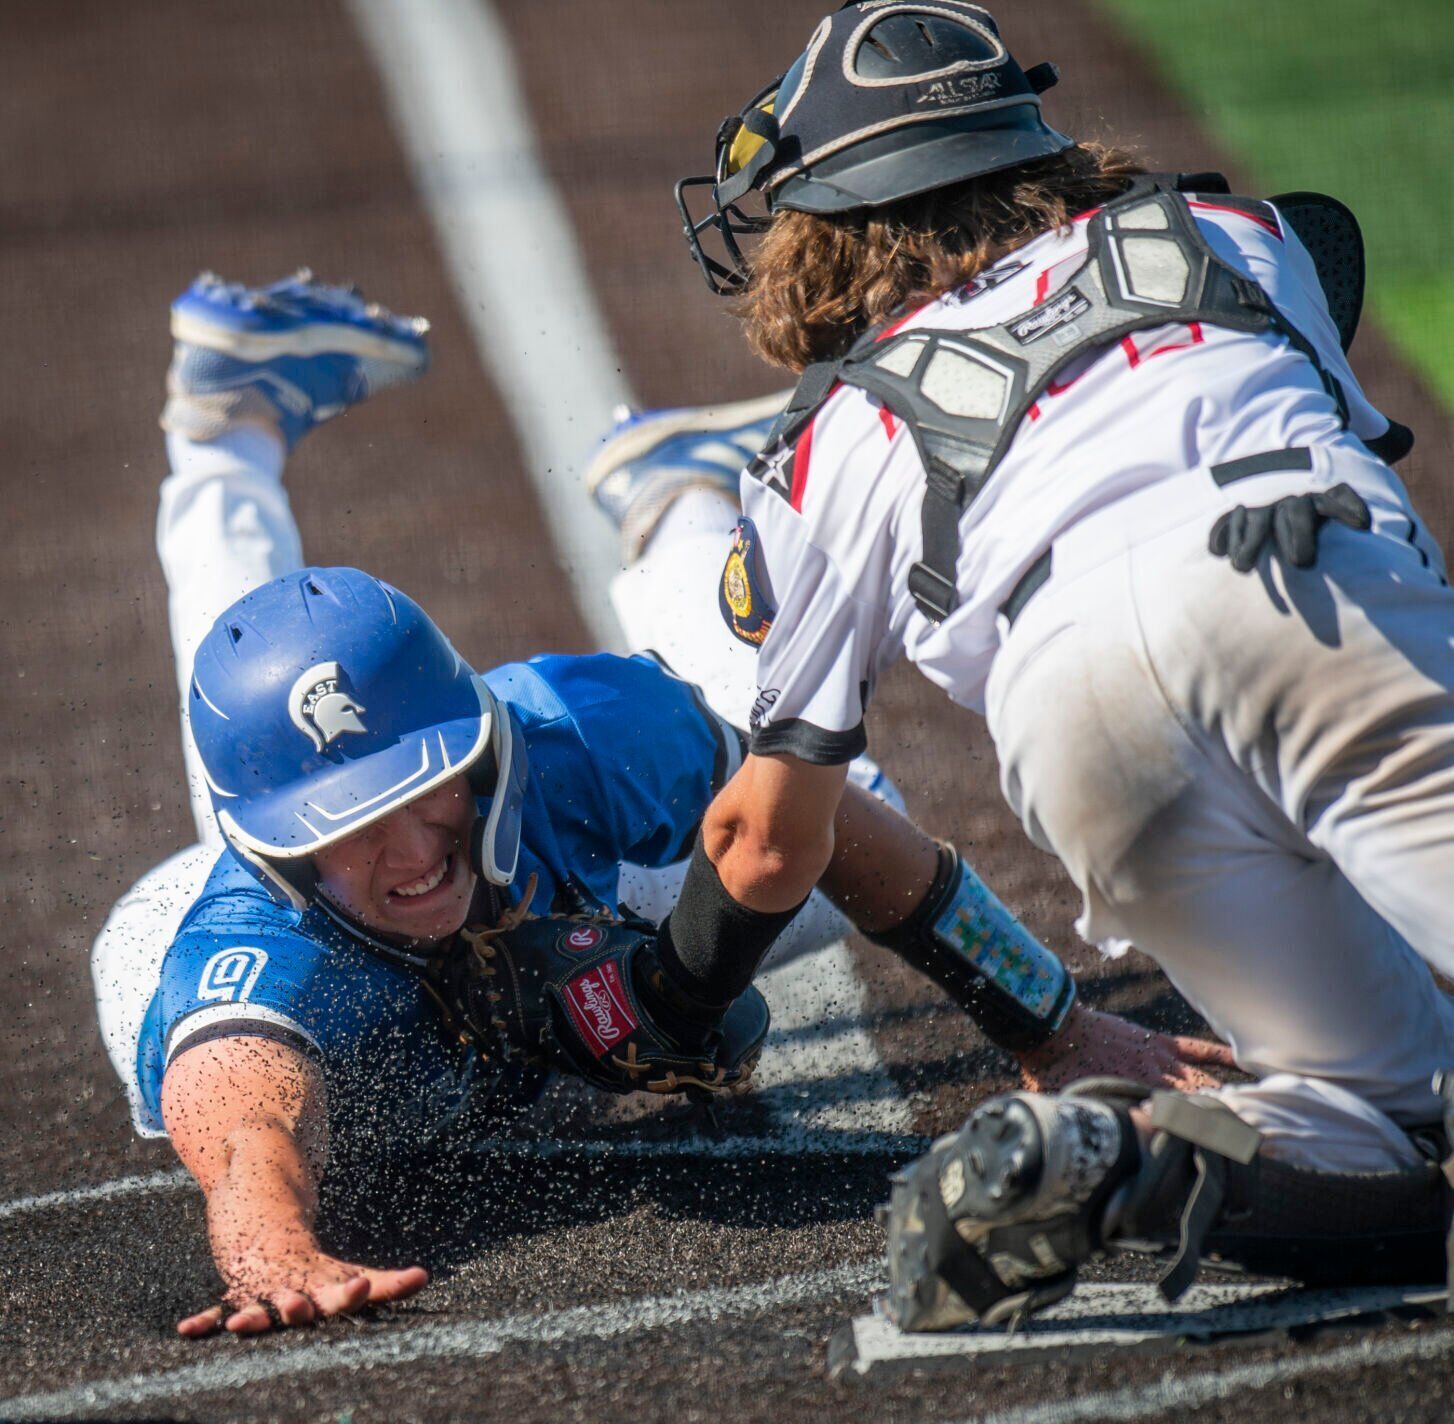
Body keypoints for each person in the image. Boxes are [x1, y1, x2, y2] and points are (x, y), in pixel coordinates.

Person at [91, 272, 1226, 1338]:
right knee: (264, 743)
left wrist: (1054, 1024)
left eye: (415, 790)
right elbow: (243, 1124)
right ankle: (228, 434)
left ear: (480, 742)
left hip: (535, 873)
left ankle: (678, 493)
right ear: (284, 855)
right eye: (339, 829)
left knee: (828, 798)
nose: (402, 850)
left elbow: (818, 822)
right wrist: (270, 1250)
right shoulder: (244, 945)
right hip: (283, 986)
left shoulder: (577, 727)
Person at [640, 0, 1454, 1325]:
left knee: (1379, 1113)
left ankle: (1111, 1160)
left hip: (1071, 713)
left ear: (828, 220)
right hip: (1297, 588)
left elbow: (769, 846)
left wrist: (662, 1007)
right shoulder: (1235, 233)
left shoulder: (829, 436)